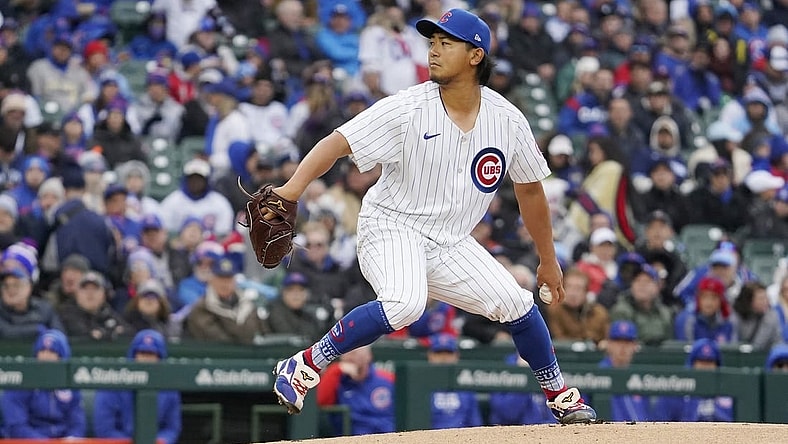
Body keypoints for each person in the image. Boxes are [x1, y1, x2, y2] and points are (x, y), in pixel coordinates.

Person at [269, 9, 596, 424]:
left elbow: (530, 190)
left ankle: (559, 394)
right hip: (391, 225)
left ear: (475, 55)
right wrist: (290, 191)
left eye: (447, 43)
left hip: (451, 240)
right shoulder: (407, 107)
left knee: (518, 303)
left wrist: (548, 261)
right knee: (406, 303)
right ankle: (305, 365)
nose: (435, 50)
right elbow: (337, 143)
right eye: (433, 42)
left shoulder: (507, 120)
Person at [93, 329, 181, 444]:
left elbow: (171, 428)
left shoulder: (169, 388)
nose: (146, 359)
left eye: (151, 354)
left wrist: (160, 441)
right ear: (133, 355)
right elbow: (104, 429)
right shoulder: (113, 381)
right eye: (142, 353)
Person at [0, 329, 86, 438]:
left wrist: (72, 438)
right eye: (42, 351)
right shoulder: (21, 380)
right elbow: (16, 427)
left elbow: (77, 424)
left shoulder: (70, 384)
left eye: (52, 352)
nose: (46, 356)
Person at [315, 345, 395, 436]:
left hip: (388, 435)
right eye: (345, 353)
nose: (349, 357)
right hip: (351, 437)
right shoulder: (336, 379)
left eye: (354, 353)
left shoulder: (387, 379)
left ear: (368, 356)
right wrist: (335, 370)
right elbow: (320, 402)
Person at [652, 339, 733, 422]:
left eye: (710, 362)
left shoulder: (728, 393)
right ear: (692, 364)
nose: (706, 367)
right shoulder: (675, 390)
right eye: (701, 362)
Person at [426, 333, 483, 429]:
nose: (444, 358)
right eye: (439, 353)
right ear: (430, 355)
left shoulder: (465, 387)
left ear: (456, 356)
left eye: (448, 353)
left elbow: (475, 424)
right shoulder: (419, 385)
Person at [598, 320, 651, 421]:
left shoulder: (638, 377)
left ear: (635, 346)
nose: (623, 347)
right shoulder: (598, 375)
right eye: (618, 341)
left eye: (627, 342)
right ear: (608, 344)